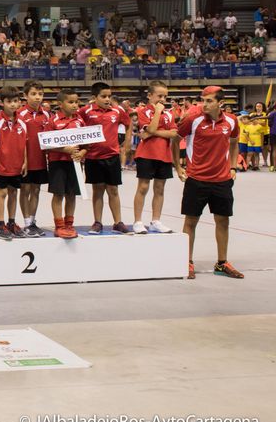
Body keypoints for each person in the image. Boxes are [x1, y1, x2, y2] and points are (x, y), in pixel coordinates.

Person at [176, 86, 243, 279]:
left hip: (222, 180)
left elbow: (234, 142)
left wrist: (233, 167)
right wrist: (178, 167)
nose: (204, 104)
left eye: (209, 101)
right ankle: (186, 261)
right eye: (203, 100)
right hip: (196, 179)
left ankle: (222, 263)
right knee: (191, 221)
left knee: (223, 221)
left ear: (220, 103)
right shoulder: (192, 120)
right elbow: (175, 141)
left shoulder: (231, 121)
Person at [80, 82, 132, 234]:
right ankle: (97, 222)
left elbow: (128, 125)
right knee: (97, 191)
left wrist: (127, 144)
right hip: (93, 157)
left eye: (109, 96)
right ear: (94, 97)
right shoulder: (86, 111)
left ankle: (118, 222)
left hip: (112, 156)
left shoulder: (117, 111)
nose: (107, 99)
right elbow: (76, 123)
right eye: (103, 96)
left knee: (113, 190)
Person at [133, 81, 177, 234]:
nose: (162, 100)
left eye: (165, 96)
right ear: (150, 95)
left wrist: (153, 133)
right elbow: (150, 128)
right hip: (146, 154)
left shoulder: (170, 113)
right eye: (159, 96)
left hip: (164, 155)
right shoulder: (143, 111)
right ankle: (138, 221)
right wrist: (157, 112)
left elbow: (173, 133)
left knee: (159, 189)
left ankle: (156, 221)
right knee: (143, 187)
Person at [0, 86, 29, 241]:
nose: (13, 104)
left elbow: (25, 143)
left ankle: (11, 222)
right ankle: (0, 224)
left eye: (16, 101)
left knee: (13, 193)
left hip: (17, 165)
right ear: (1, 102)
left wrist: (25, 161)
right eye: (9, 101)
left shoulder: (23, 122)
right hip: (1, 164)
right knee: (2, 193)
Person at [45, 91, 87, 239]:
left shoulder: (80, 121)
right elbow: (46, 143)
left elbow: (86, 143)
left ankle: (69, 223)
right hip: (58, 162)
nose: (75, 105)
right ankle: (59, 225)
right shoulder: (53, 120)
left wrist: (82, 153)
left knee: (71, 194)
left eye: (77, 102)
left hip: (75, 162)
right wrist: (64, 149)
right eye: (71, 102)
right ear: (60, 104)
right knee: (58, 194)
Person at [17, 80, 50, 237]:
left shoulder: (47, 115)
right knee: (25, 190)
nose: (37, 97)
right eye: (33, 94)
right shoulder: (20, 115)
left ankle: (33, 220)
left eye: (40, 94)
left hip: (41, 160)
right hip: (25, 161)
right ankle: (26, 223)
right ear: (25, 96)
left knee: (36, 190)